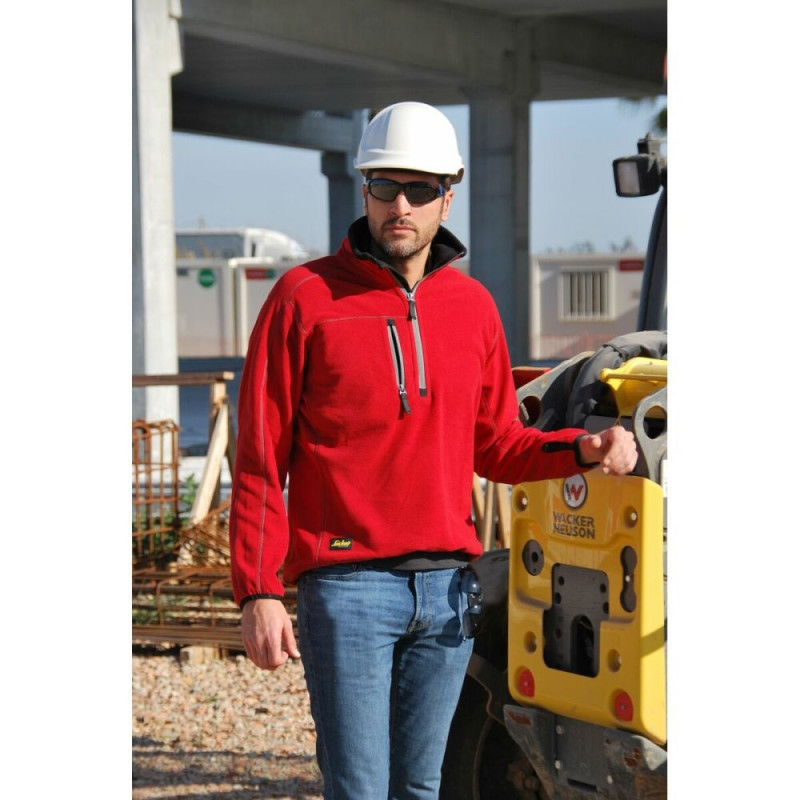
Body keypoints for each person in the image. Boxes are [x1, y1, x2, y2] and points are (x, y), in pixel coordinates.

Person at [228, 101, 637, 800]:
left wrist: (583, 448)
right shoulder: (303, 298)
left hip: (448, 589)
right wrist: (258, 592)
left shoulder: (473, 308)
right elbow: (260, 457)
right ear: (364, 189)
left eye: (419, 189)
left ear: (448, 196)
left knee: (422, 788)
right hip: (347, 589)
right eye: (385, 186)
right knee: (359, 789)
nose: (401, 205)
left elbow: (498, 446)